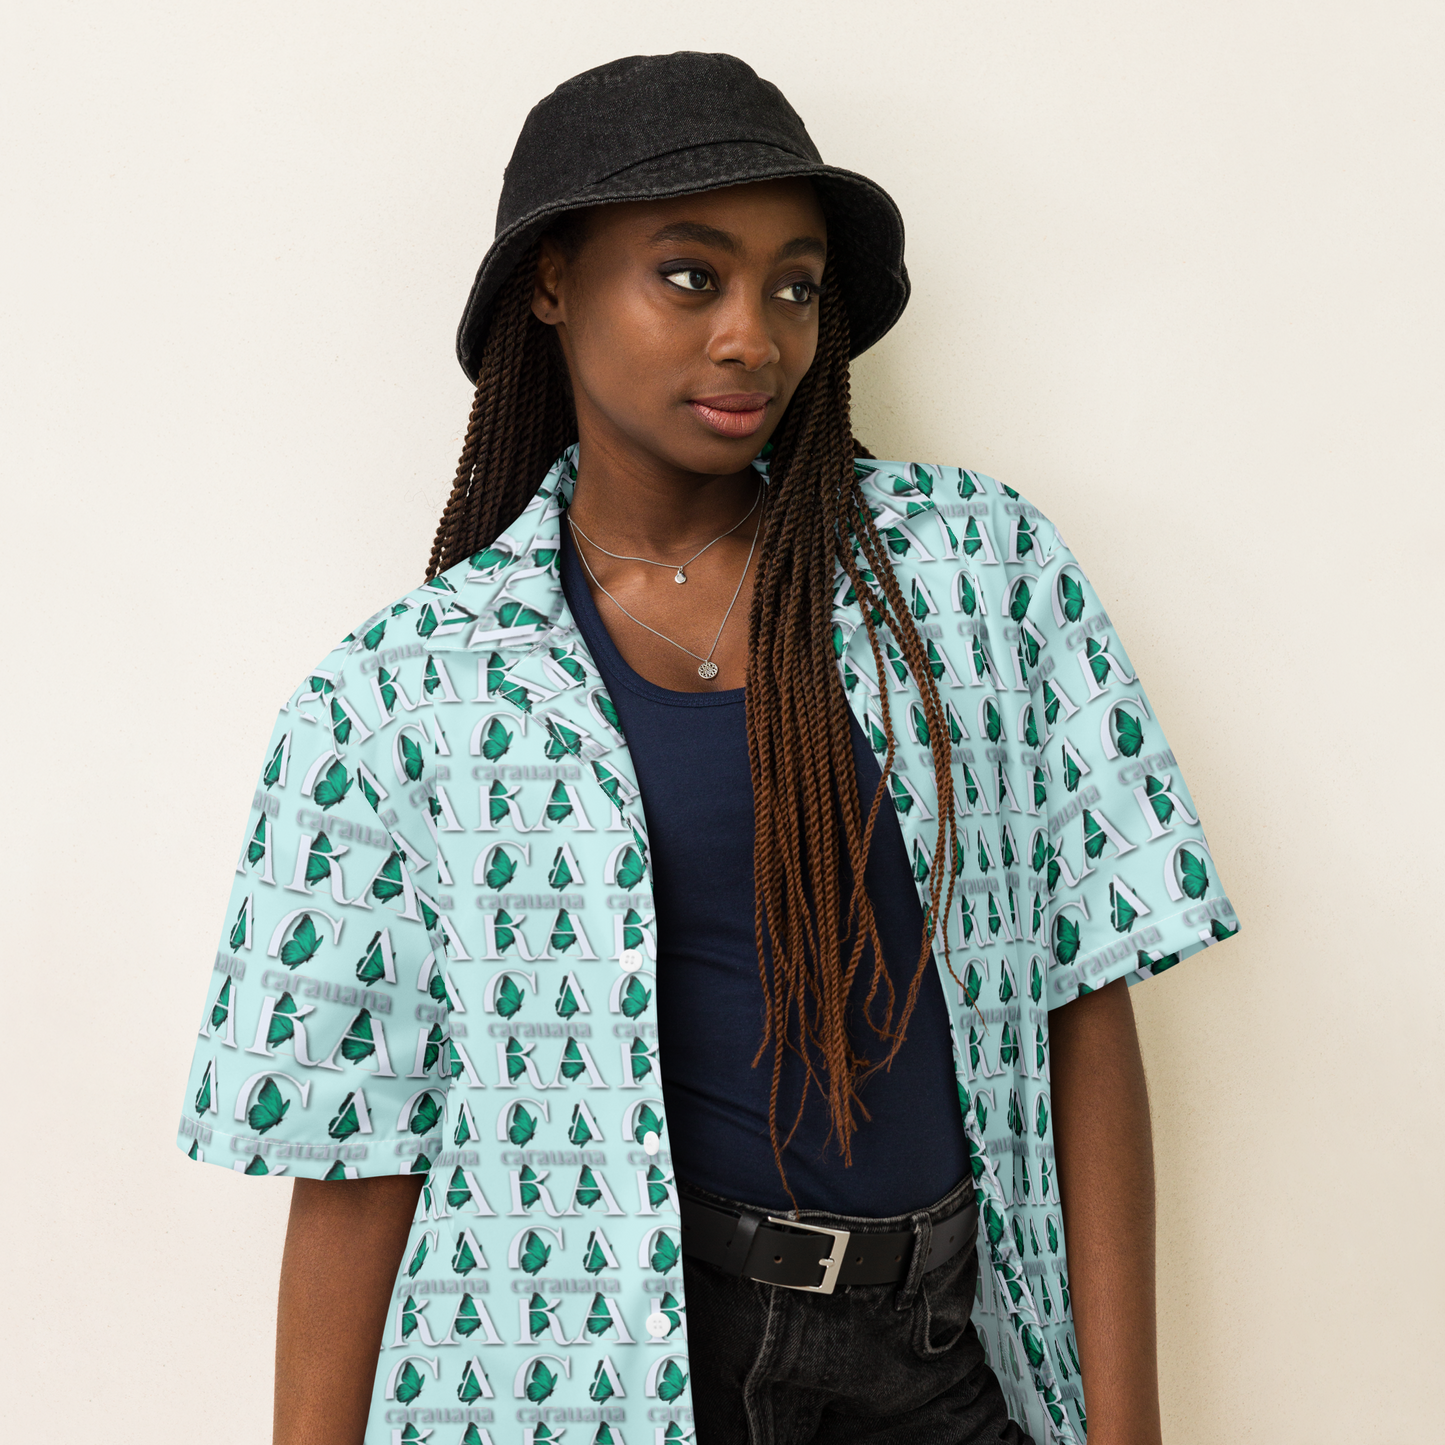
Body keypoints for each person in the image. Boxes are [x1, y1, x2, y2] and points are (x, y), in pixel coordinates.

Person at [177, 51, 1240, 1445]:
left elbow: (1082, 1003)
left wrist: (1127, 1428)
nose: (754, 337)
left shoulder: (977, 575)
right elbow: (357, 1159)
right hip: (623, 1371)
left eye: (794, 287)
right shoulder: (404, 698)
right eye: (691, 277)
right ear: (551, 282)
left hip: (945, 1348)